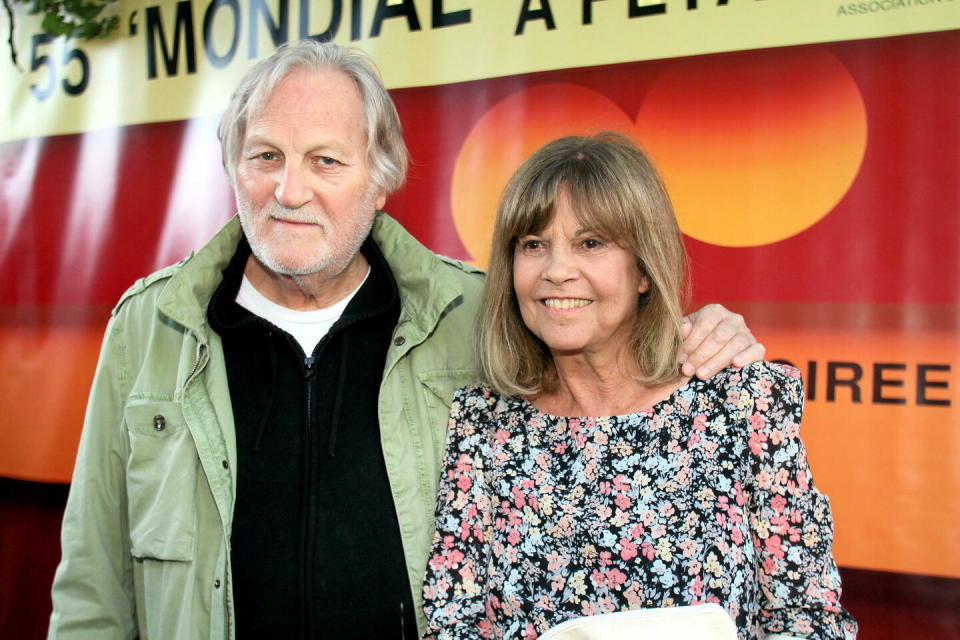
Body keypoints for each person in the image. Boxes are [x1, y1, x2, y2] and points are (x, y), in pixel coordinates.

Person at [47, 42, 764, 639]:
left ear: (381, 178)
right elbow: (93, 588)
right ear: (233, 165)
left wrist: (701, 333)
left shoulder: (479, 311)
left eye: (326, 161)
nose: (289, 190)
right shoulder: (150, 327)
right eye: (265, 155)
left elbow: (608, 352)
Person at [421, 134, 857, 639]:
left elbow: (811, 619)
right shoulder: (482, 423)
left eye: (591, 243)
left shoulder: (741, 403)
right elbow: (454, 623)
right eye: (533, 245)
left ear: (644, 270)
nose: (557, 271)